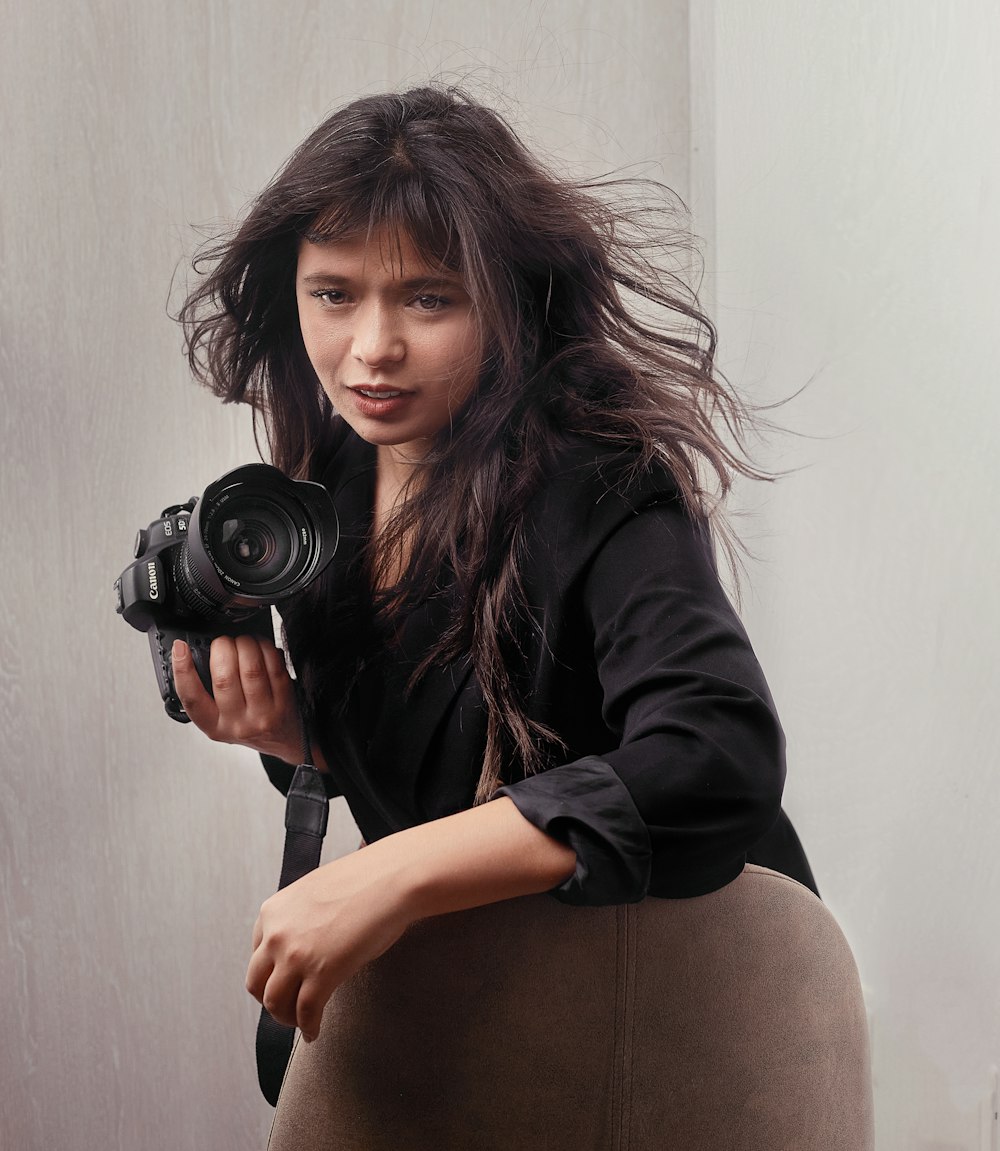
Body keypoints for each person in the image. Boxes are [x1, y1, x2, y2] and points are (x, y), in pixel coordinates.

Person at [171, 85, 817, 1141]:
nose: (370, 349)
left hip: (687, 1005)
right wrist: (297, 735)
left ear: (511, 299)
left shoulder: (599, 478)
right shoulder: (329, 484)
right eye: (333, 294)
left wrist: (389, 871)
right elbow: (454, 759)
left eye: (429, 299)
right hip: (493, 998)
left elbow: (717, 749)